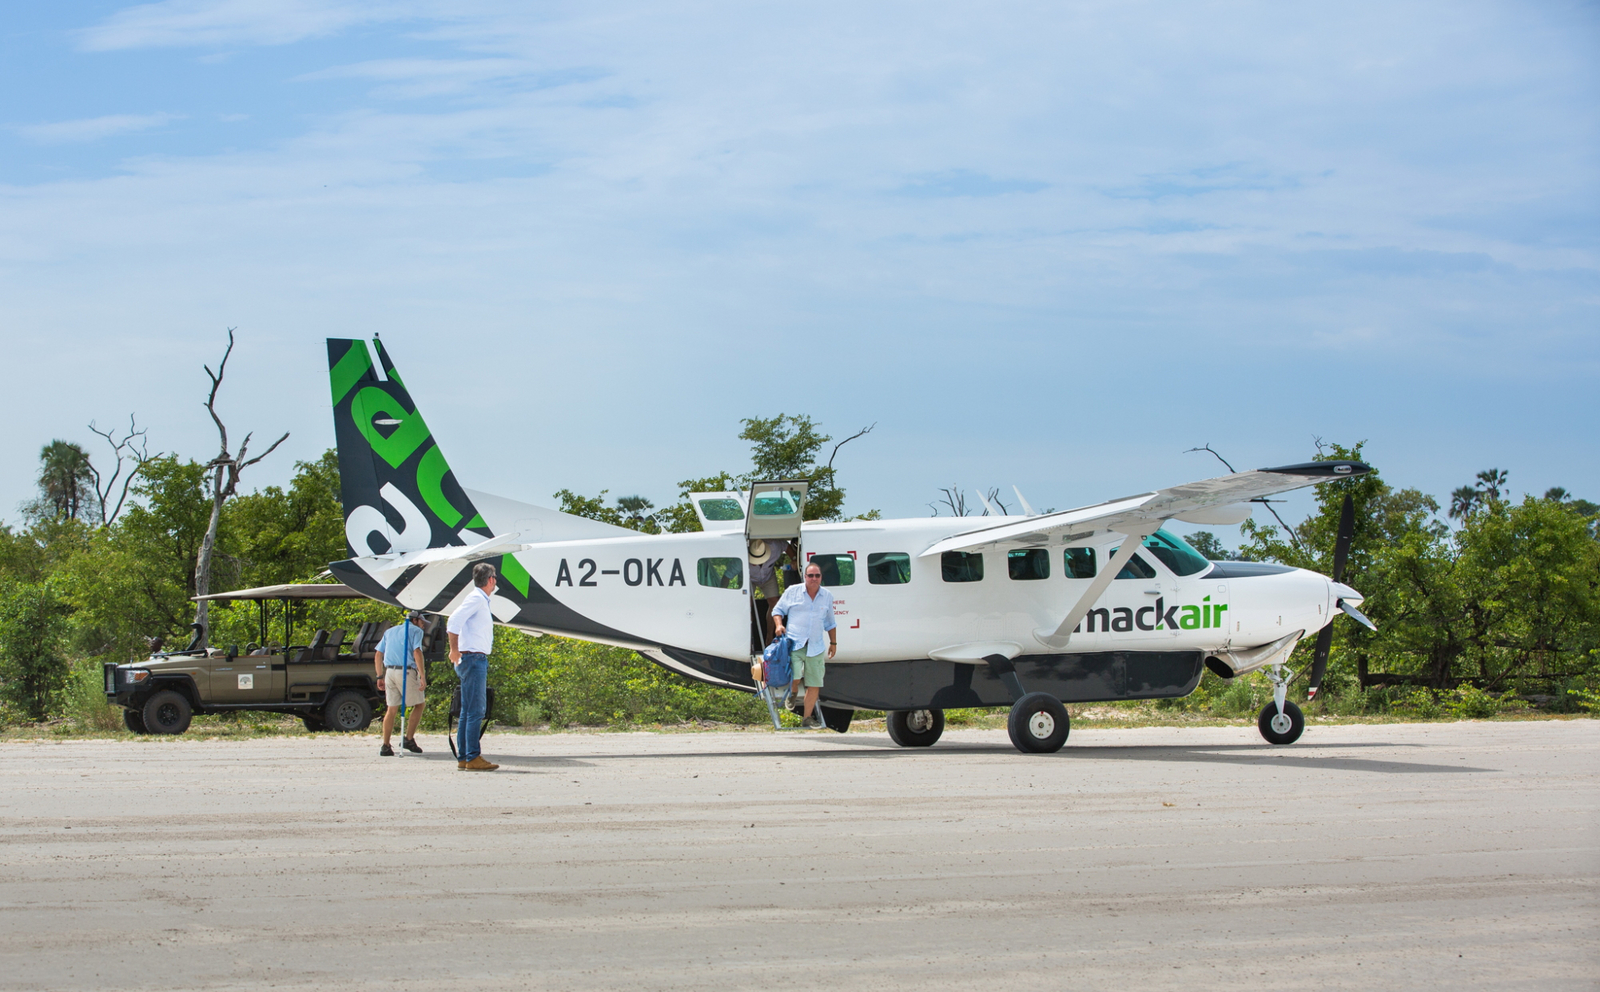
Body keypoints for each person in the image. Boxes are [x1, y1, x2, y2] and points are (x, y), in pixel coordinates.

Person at [771, 560, 837, 729]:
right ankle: (792, 693)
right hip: (795, 643)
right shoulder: (793, 591)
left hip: (816, 645)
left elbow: (830, 622)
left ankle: (807, 717)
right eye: (810, 575)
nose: (814, 579)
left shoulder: (827, 596)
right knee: (797, 675)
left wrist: (833, 642)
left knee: (814, 683)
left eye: (817, 576)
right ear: (805, 577)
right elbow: (777, 610)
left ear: (821, 577)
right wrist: (779, 625)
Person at [446, 563, 499, 771]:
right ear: (491, 580)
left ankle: (465, 757)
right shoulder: (477, 598)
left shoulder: (479, 599)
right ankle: (472, 756)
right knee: (476, 709)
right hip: (473, 659)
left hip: (472, 658)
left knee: (468, 710)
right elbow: (453, 621)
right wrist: (454, 650)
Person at [374, 610, 428, 756]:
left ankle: (385, 745)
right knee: (419, 704)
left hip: (389, 672)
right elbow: (417, 652)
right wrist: (422, 676)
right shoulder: (416, 631)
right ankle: (408, 739)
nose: (423, 626)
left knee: (391, 709)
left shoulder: (390, 631)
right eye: (422, 622)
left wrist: (379, 676)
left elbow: (378, 654)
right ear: (415, 620)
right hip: (406, 671)